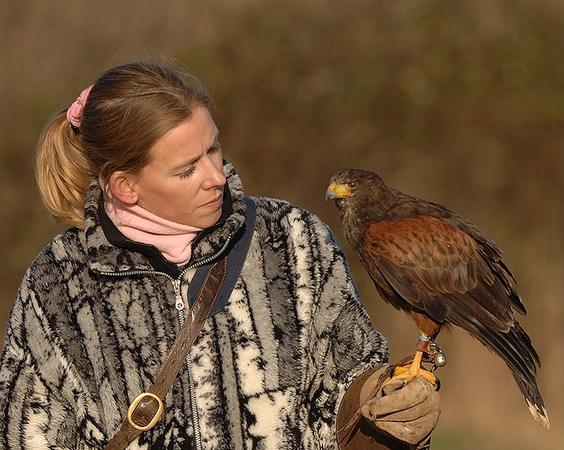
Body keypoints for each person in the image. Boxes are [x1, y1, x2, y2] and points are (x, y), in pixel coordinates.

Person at [0, 60, 440, 449]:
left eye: (213, 148)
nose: (217, 176)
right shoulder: (57, 285)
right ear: (124, 186)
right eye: (187, 168)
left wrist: (377, 404)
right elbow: (28, 433)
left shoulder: (294, 241)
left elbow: (346, 376)